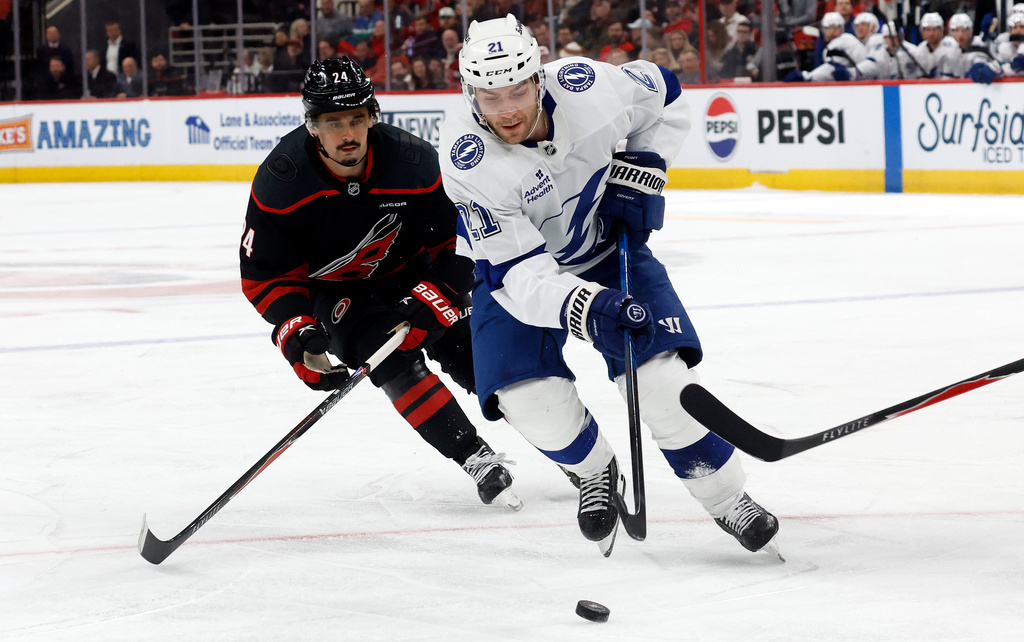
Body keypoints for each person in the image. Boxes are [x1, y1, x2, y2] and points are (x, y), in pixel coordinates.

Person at [438, 16, 780, 555]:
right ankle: (596, 471)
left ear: (539, 78)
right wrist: (589, 307)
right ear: (468, 92)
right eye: (490, 96)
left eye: (518, 91)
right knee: (527, 400)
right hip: (519, 276)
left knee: (662, 384)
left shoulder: (589, 86)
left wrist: (642, 168)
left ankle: (727, 500)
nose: (507, 110)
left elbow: (666, 94)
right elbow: (519, 274)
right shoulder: (467, 157)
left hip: (604, 247)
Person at [240, 57, 521, 511]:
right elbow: (265, 276)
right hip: (336, 291)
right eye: (333, 123)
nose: (348, 133)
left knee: (470, 350)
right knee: (384, 353)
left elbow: (466, 238)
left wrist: (443, 289)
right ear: (312, 126)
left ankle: (562, 444)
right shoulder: (281, 182)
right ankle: (475, 456)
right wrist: (296, 330)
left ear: (372, 116)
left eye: (356, 118)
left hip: (413, 271)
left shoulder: (414, 162)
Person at [785, 12, 867, 81]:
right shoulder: (829, 46)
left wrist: (808, 76)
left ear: (842, 29)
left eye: (835, 29)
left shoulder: (846, 40)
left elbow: (830, 69)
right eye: (828, 29)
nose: (831, 32)